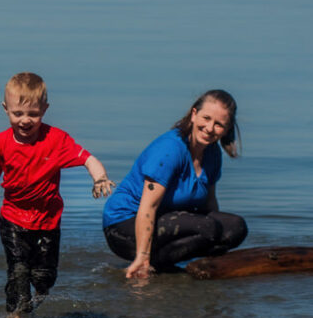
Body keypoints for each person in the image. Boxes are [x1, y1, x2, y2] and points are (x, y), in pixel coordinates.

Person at [0, 73, 113, 318]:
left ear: (45, 109)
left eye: (33, 114)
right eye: (17, 114)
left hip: (48, 221)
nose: (25, 120)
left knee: (44, 279)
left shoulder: (57, 140)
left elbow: (88, 159)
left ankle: (29, 306)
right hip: (13, 219)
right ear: (5, 109)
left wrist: (100, 178)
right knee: (18, 271)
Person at [103, 88, 247, 278]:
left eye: (219, 124)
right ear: (194, 114)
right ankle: (150, 263)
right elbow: (148, 206)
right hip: (125, 225)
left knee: (236, 227)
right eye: (206, 118)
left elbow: (210, 204)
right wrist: (142, 257)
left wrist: (217, 249)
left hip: (166, 218)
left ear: (227, 129)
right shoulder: (170, 149)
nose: (210, 128)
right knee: (208, 228)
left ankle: (176, 265)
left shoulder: (213, 154)